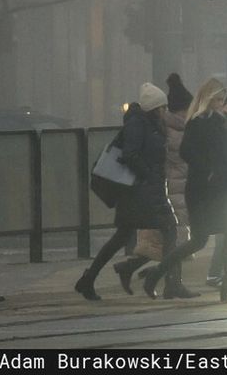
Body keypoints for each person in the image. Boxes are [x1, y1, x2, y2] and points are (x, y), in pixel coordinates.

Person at [75, 84, 180, 301]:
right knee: (170, 228)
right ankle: (169, 283)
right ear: (154, 108)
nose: (165, 111)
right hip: (139, 191)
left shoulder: (150, 124)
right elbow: (130, 154)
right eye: (162, 107)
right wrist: (148, 175)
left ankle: (90, 278)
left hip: (144, 190)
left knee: (123, 236)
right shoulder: (138, 123)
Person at [145, 78, 227, 300]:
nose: (220, 104)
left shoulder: (220, 121)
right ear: (207, 99)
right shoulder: (198, 122)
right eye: (217, 100)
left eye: (222, 100)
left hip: (224, 186)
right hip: (205, 190)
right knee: (199, 239)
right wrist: (208, 170)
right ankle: (157, 272)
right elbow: (187, 152)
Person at [117, 73, 191, 293]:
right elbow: (174, 156)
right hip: (169, 187)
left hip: (170, 186)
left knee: (169, 238)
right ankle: (169, 282)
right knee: (174, 236)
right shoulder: (171, 129)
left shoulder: (169, 127)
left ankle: (139, 270)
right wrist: (150, 175)